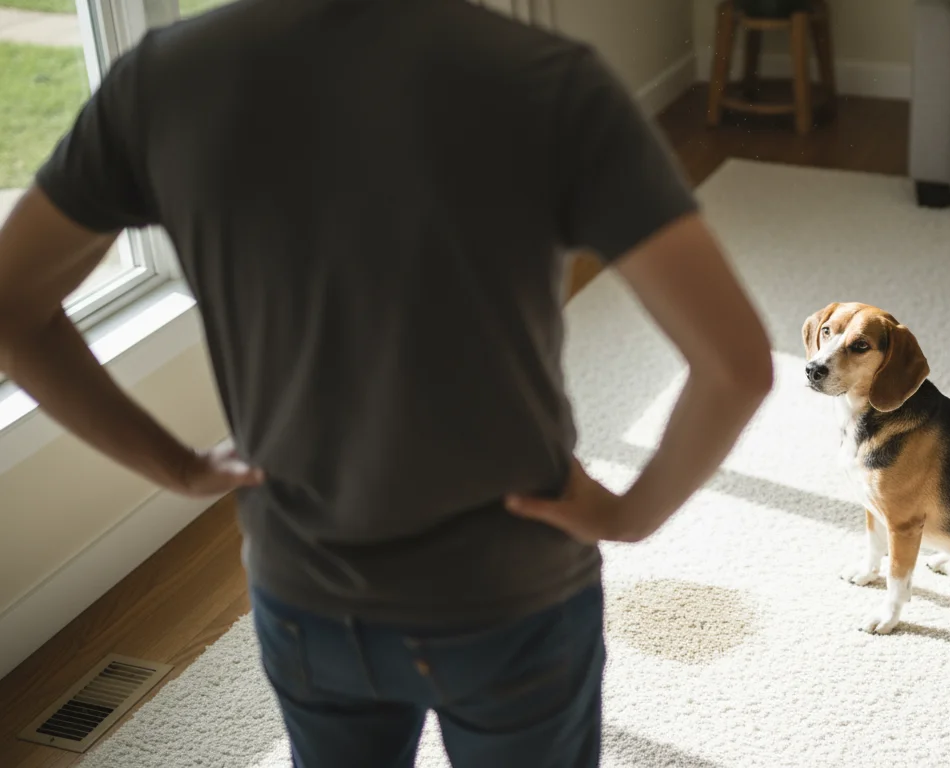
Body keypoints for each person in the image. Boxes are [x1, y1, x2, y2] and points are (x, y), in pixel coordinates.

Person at [0, 0, 774, 765]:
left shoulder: (162, 79)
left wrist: (175, 466)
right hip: (510, 595)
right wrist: (632, 514)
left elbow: (10, 307)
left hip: (304, 594)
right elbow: (735, 365)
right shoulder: (542, 79)